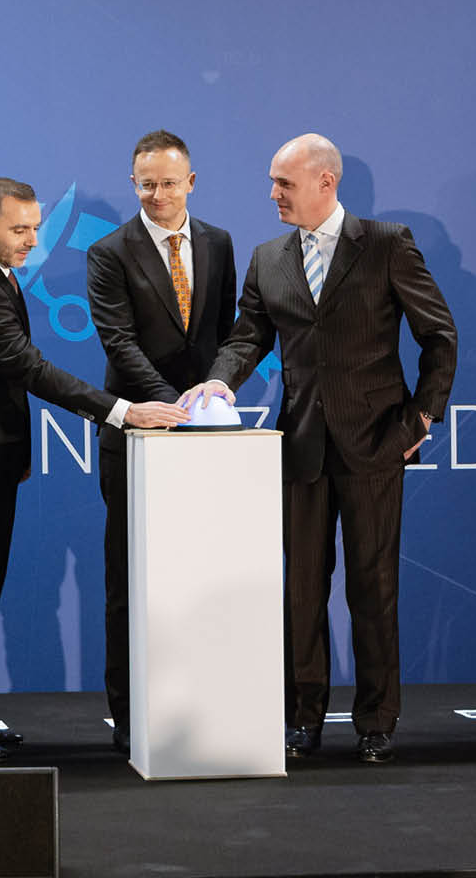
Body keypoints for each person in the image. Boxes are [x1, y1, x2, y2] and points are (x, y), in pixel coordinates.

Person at [180, 133, 457, 764]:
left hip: (376, 443)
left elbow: (439, 336)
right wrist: (220, 381)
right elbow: (247, 337)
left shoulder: (386, 243)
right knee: (302, 590)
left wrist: (421, 418)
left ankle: (377, 721)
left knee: (373, 589)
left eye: (284, 183)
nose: (273, 194)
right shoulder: (268, 257)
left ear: (326, 182)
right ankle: (302, 718)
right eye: (273, 182)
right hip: (301, 444)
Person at [0, 177, 189, 762]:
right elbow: (32, 370)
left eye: (36, 228)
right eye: (19, 230)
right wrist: (123, 411)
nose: (32, 241)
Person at [84, 131, 236, 753]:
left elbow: (227, 333)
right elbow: (118, 343)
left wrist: (213, 393)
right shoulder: (108, 252)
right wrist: (176, 407)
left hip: (207, 439)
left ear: (191, 183)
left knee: (204, 575)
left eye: (169, 183)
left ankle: (203, 701)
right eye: (146, 184)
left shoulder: (220, 243)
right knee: (130, 577)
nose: (158, 194)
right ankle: (128, 713)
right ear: (133, 183)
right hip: (138, 434)